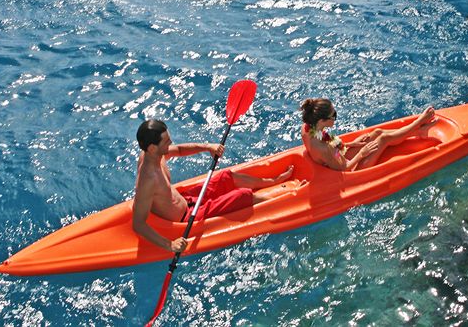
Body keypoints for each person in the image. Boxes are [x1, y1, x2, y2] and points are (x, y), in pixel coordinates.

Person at [132, 119, 294, 254]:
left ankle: (272, 181)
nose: (171, 143)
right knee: (242, 195)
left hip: (187, 200)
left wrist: (207, 146)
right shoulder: (147, 180)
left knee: (227, 177)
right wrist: (170, 245)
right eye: (167, 141)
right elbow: (138, 224)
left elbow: (180, 150)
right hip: (187, 218)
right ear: (152, 147)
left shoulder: (155, 154)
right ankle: (289, 197)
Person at [300, 98, 436, 171]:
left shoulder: (308, 128)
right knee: (383, 139)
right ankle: (418, 123)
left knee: (377, 132)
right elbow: (345, 169)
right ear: (322, 120)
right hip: (351, 170)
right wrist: (362, 153)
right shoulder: (322, 148)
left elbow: (331, 147)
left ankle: (418, 131)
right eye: (333, 115)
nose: (335, 117)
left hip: (339, 156)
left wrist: (350, 144)